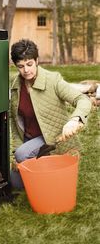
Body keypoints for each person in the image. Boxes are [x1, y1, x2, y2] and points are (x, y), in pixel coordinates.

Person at [10, 39, 92, 190]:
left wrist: (75, 119)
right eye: (21, 66)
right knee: (15, 184)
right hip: (29, 138)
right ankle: (41, 166)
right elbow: (14, 121)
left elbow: (83, 99)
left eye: (29, 64)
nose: (26, 70)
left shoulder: (53, 80)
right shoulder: (14, 85)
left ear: (37, 61)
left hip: (51, 136)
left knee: (23, 155)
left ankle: (45, 173)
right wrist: (15, 149)